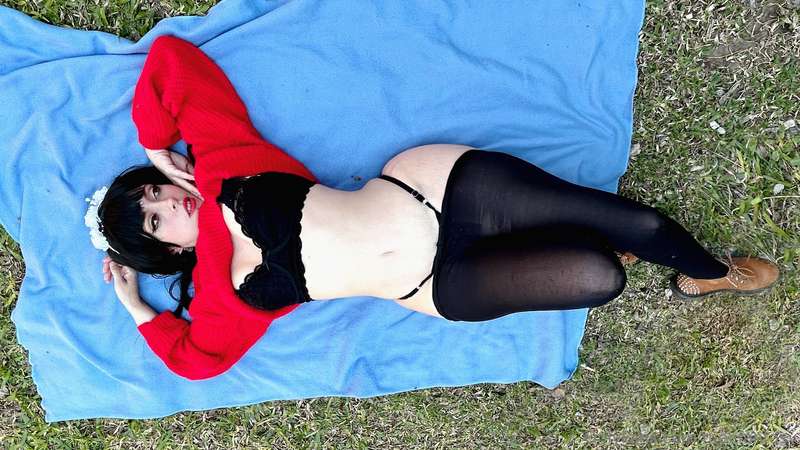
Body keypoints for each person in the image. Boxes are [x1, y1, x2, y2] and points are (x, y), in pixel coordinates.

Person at [88, 35, 780, 380]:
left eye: (153, 192)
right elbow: (194, 363)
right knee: (601, 277)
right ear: (166, 249)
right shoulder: (218, 302)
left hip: (433, 192)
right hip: (433, 285)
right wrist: (138, 309)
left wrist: (155, 144)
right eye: (155, 218)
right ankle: (597, 245)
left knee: (641, 224)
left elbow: (170, 60)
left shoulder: (222, 165)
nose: (167, 200)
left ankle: (711, 275)